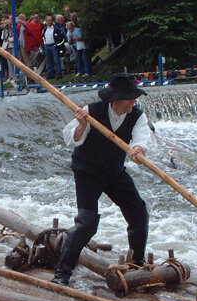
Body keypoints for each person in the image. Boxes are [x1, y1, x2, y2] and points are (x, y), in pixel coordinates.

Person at [52, 73, 151, 286]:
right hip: (88, 171)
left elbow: (141, 137)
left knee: (138, 212)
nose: (133, 102)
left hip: (114, 170)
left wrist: (139, 149)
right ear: (116, 100)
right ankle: (62, 273)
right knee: (87, 222)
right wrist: (80, 125)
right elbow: (71, 138)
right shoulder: (91, 112)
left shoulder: (137, 115)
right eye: (130, 98)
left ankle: (137, 263)